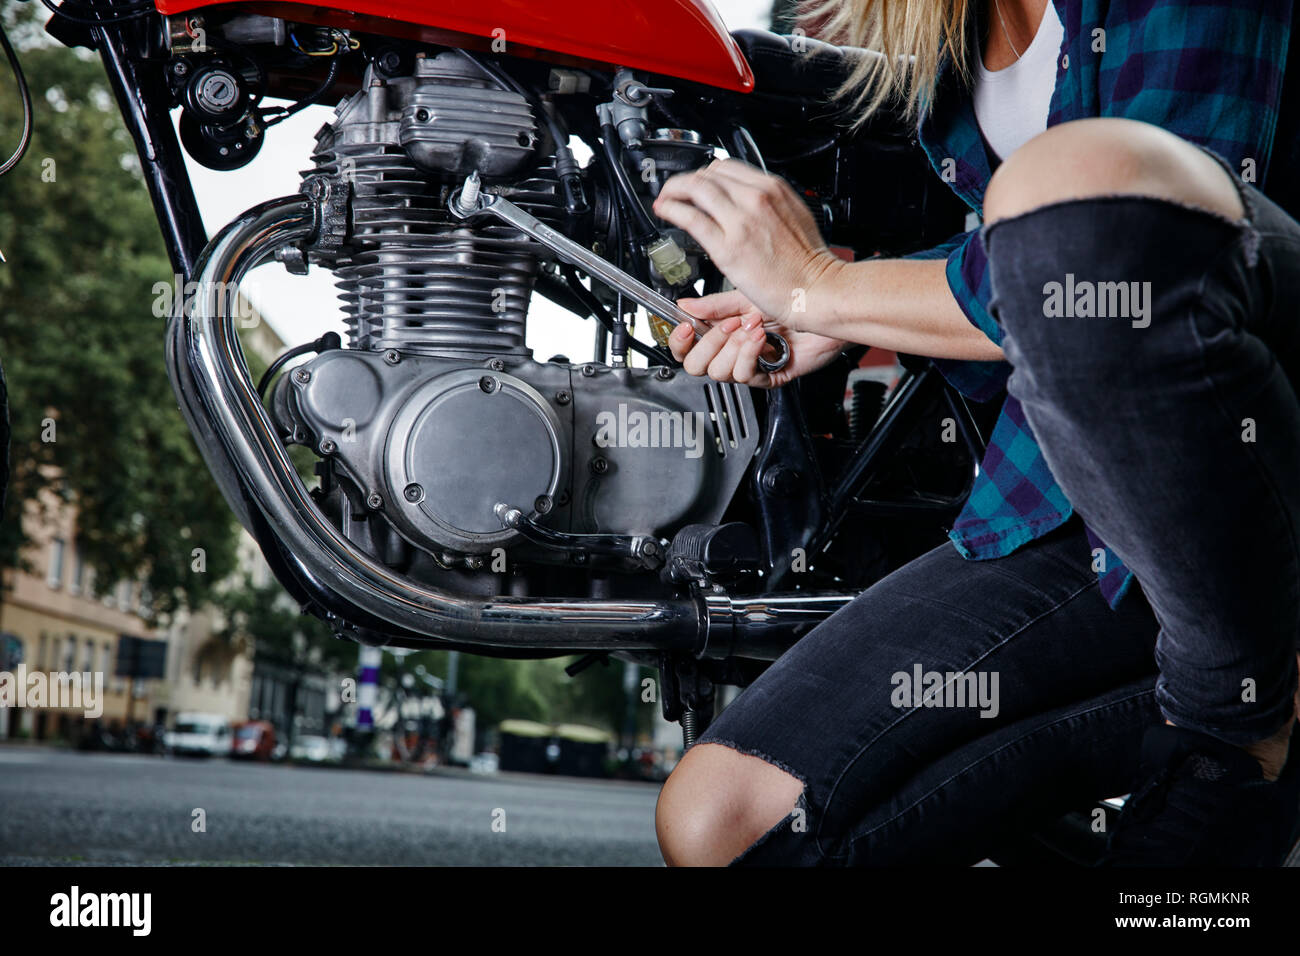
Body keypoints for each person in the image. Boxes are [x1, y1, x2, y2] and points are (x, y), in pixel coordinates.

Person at [651, 0, 1300, 866]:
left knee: (1087, 178)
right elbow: (1033, 277)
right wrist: (839, 308)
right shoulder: (943, 28)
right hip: (1081, 504)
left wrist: (817, 284)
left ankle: (1232, 721)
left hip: (1251, 465)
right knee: (723, 824)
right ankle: (1247, 703)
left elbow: (1122, 246)